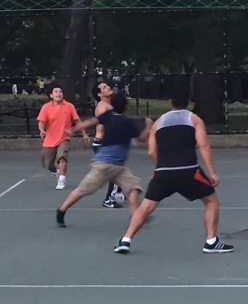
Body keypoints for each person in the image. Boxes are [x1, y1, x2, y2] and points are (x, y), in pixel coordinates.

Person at [113, 85, 234, 255]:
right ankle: (211, 242)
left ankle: (125, 240)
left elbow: (151, 151)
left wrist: (160, 167)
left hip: (163, 172)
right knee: (211, 201)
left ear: (170, 102)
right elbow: (203, 145)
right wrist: (212, 172)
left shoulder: (158, 123)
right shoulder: (195, 120)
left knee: (145, 207)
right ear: (189, 102)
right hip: (189, 170)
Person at [55, 91, 153, 228]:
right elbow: (143, 139)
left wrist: (73, 129)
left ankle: (135, 216)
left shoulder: (108, 116)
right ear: (125, 107)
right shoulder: (127, 123)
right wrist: (149, 126)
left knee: (133, 187)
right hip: (105, 165)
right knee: (84, 189)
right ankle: (61, 210)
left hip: (118, 166)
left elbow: (90, 121)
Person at [37, 84, 90, 190]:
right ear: (51, 95)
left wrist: (84, 133)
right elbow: (41, 121)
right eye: (56, 92)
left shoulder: (69, 106)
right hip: (50, 139)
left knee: (62, 157)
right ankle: (56, 172)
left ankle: (61, 179)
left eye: (60, 91)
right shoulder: (46, 107)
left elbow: (77, 121)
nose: (58, 94)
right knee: (48, 164)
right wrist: (42, 130)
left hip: (64, 137)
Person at [91, 81, 123, 208]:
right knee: (115, 171)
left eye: (107, 85)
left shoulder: (109, 105)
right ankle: (109, 199)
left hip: (108, 143)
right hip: (103, 143)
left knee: (117, 168)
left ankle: (119, 190)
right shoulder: (102, 106)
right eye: (104, 87)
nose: (108, 87)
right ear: (100, 94)